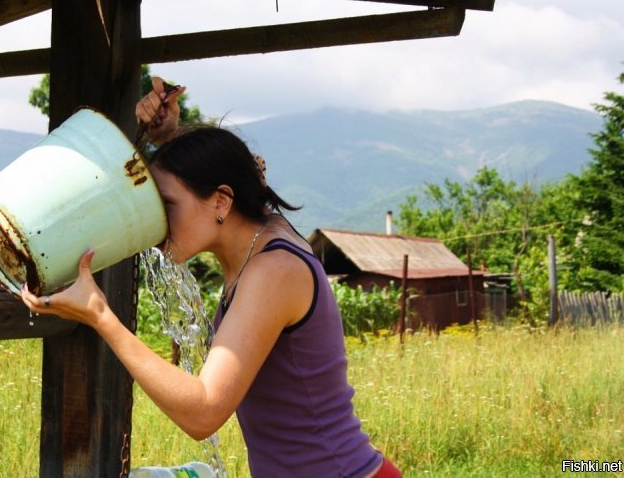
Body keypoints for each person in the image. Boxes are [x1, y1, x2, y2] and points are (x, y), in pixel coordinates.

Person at [20, 78, 402, 477]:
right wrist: (170, 138)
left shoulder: (274, 271)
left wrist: (101, 315)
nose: (157, 221)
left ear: (221, 200)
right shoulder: (257, 233)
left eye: (168, 205)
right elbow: (240, 168)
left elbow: (204, 413)